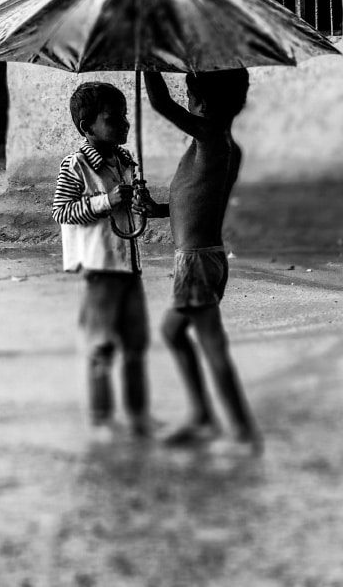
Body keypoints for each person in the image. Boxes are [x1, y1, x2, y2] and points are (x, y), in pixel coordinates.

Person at [137, 68, 261, 454]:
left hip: (195, 261)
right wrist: (155, 208)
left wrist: (147, 61)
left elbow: (159, 103)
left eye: (189, 92)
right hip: (203, 258)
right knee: (174, 334)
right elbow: (198, 200)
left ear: (202, 102)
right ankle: (203, 416)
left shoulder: (209, 137)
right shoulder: (222, 146)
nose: (187, 101)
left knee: (210, 346)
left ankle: (240, 432)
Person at [52, 81, 153, 441]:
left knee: (136, 344)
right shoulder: (76, 166)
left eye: (126, 115)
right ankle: (101, 419)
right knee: (103, 347)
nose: (125, 124)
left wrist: (140, 202)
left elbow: (137, 208)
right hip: (101, 270)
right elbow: (62, 211)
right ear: (87, 127)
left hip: (129, 265)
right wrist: (105, 201)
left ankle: (139, 415)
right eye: (114, 118)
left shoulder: (125, 161)